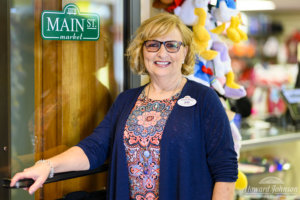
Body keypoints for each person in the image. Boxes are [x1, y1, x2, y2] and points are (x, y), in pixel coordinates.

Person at [11, 13, 238, 200]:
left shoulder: (204, 99)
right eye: (153, 45)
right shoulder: (126, 100)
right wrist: (47, 166)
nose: (162, 53)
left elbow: (225, 172)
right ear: (142, 51)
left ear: (185, 51)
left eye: (171, 45)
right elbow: (94, 148)